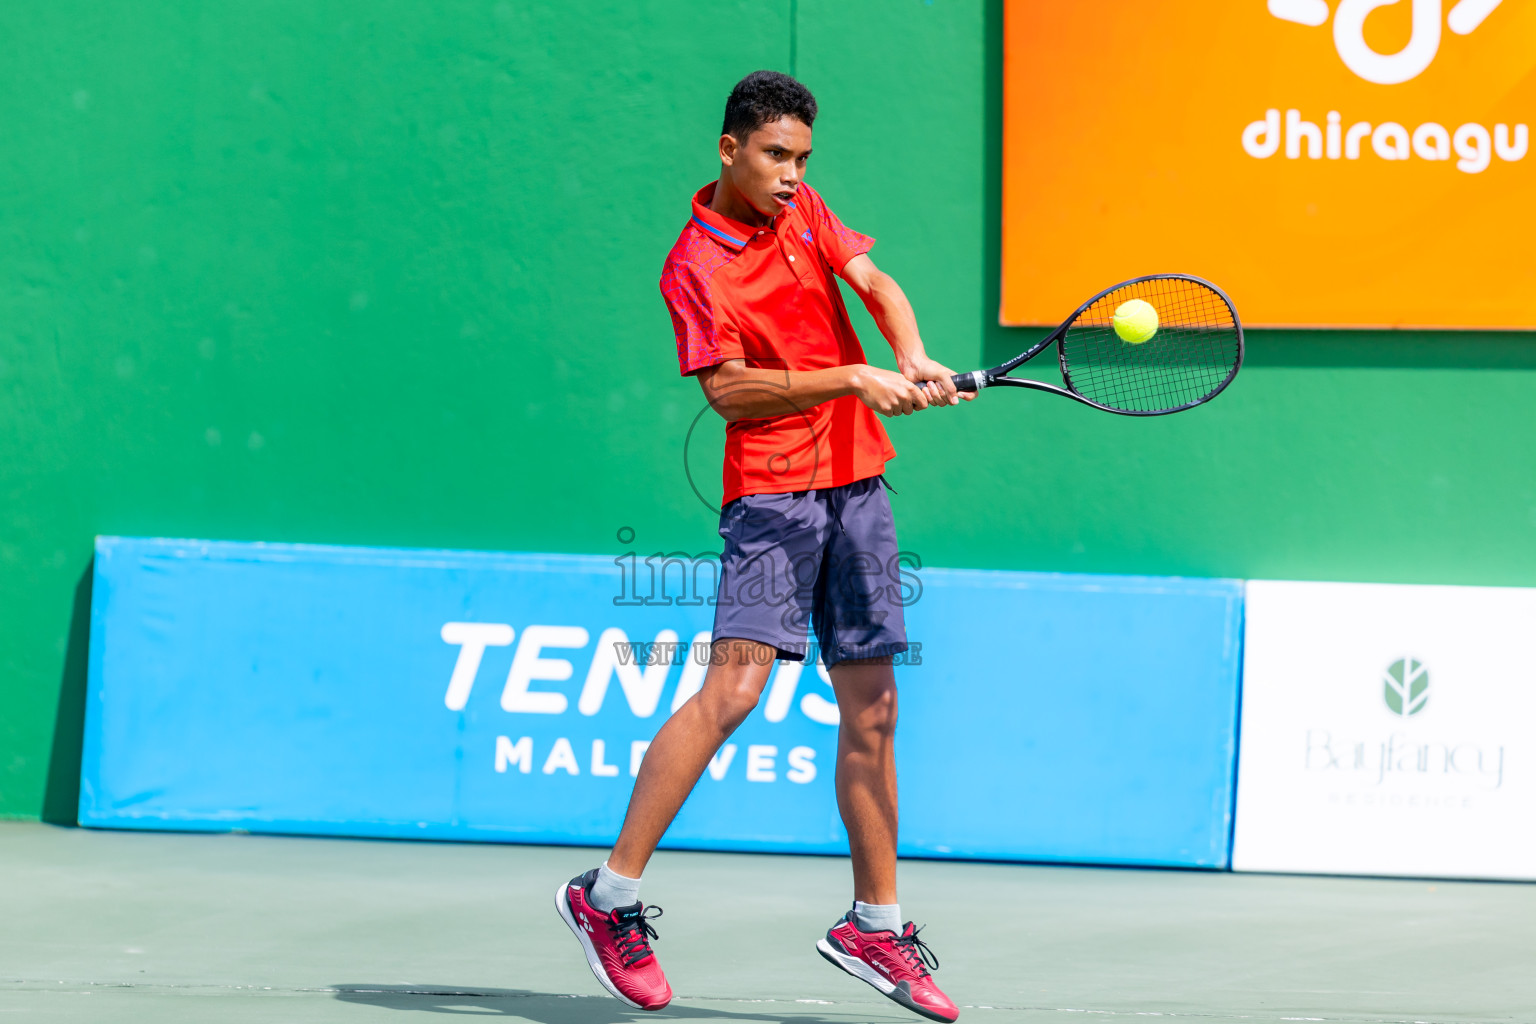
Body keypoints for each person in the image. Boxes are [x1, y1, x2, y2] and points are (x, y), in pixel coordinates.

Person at [554, 69, 971, 1023]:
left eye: (803, 158)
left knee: (873, 709)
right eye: (776, 155)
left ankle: (875, 923)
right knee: (734, 690)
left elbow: (874, 279)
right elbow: (731, 394)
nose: (792, 174)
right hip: (774, 498)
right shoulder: (693, 266)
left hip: (858, 486)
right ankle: (604, 897)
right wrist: (849, 377)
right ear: (729, 149)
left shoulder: (805, 208)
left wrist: (906, 354)